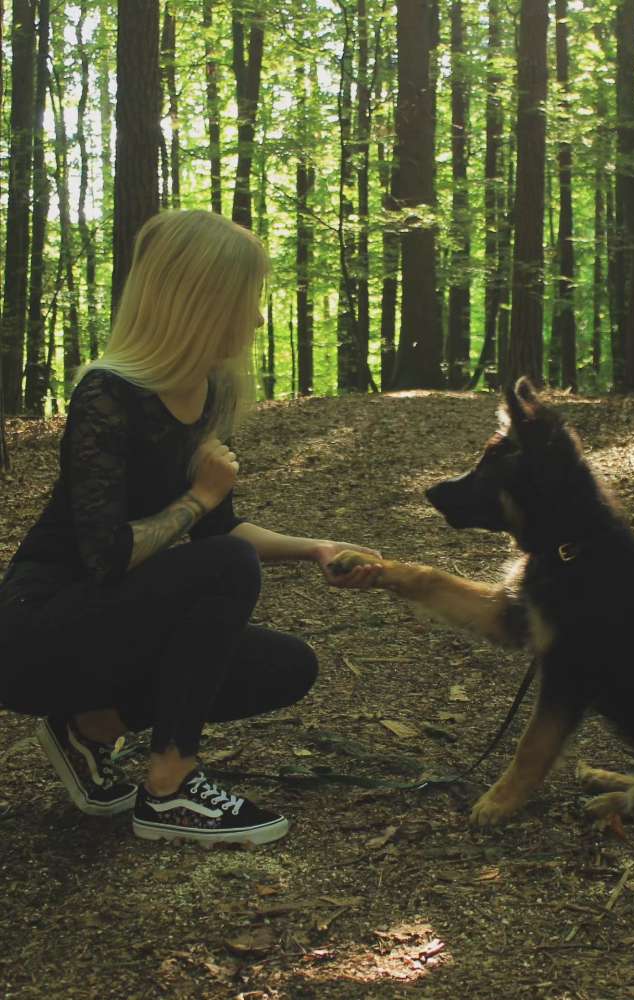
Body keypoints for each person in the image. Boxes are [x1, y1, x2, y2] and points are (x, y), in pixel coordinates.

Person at [0, 209, 379, 848]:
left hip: (111, 630)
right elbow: (108, 558)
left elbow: (220, 534)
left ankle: (89, 728)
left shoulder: (210, 393)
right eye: (245, 299)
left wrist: (319, 549)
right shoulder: (106, 394)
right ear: (199, 299)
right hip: (35, 634)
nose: (257, 318)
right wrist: (201, 498)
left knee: (287, 666)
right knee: (230, 567)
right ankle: (170, 789)